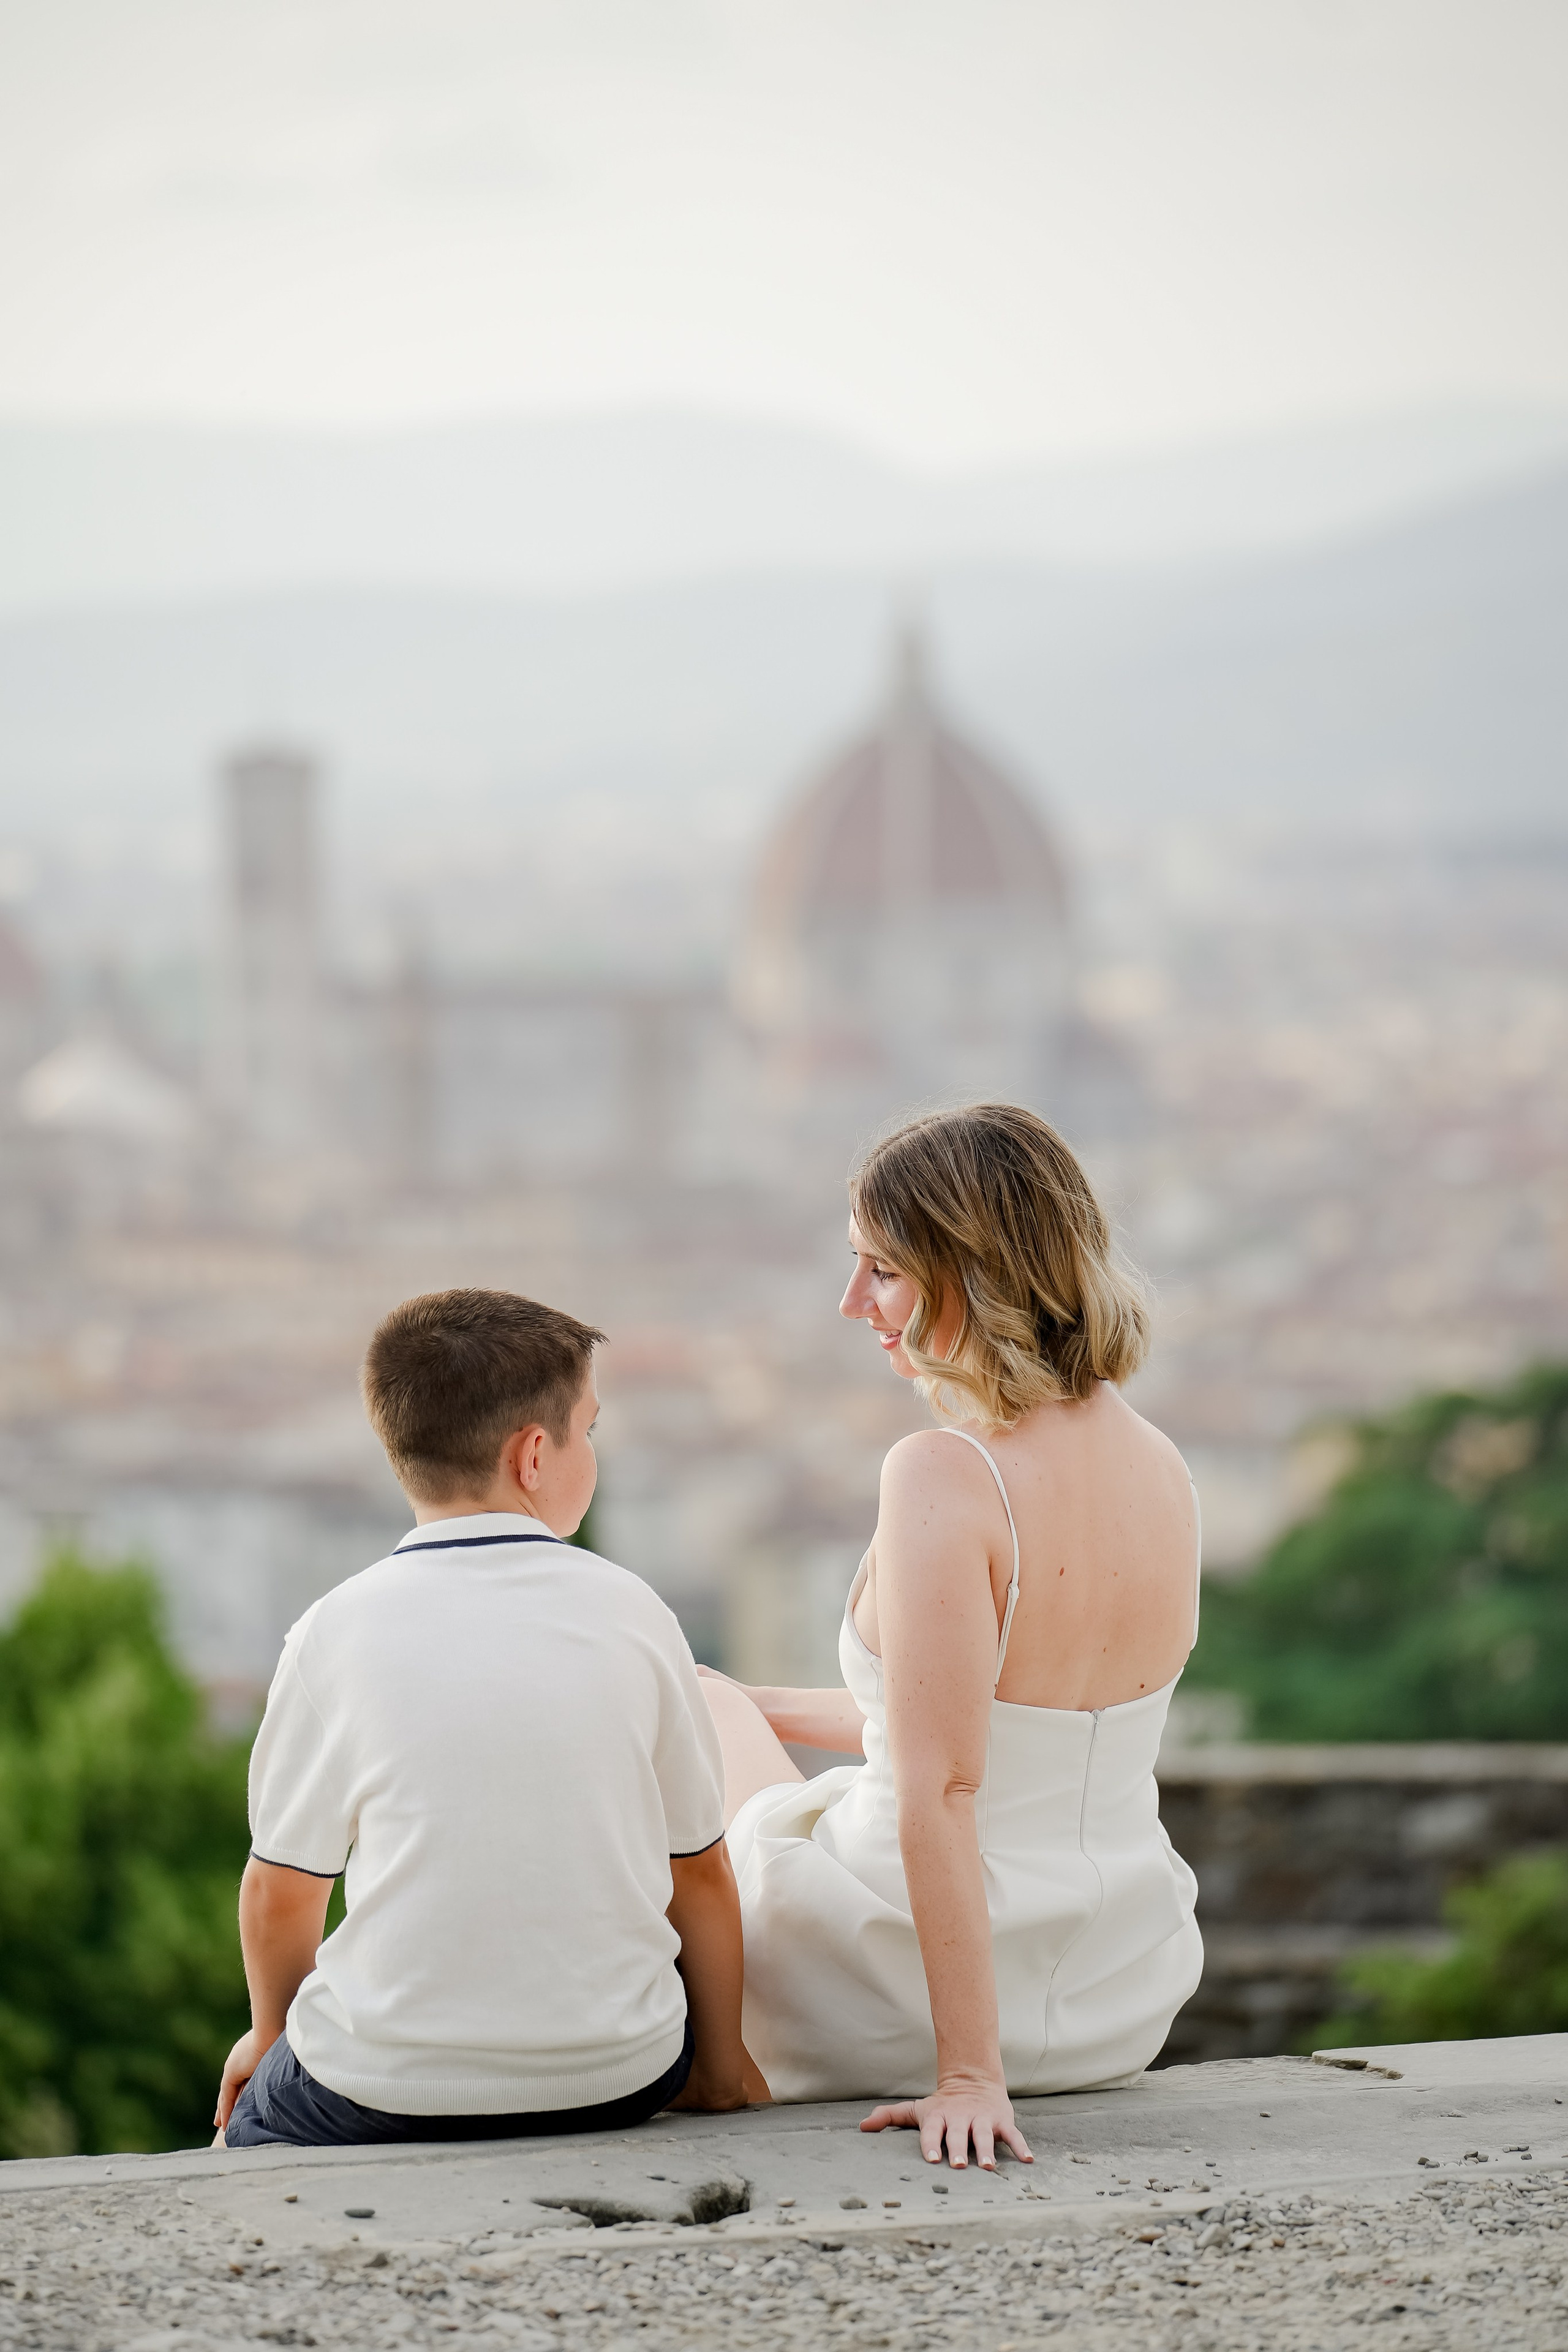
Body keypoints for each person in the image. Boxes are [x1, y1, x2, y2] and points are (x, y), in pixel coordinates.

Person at [701, 1104, 1203, 2173]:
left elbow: (942, 1787)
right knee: (722, 1700)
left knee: (690, 1719)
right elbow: (992, 1721)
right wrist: (762, 1702)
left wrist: (970, 2075)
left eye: (881, 1271)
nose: (852, 1304)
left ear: (972, 1269)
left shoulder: (944, 1473)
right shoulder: (1163, 1466)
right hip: (1118, 1989)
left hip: (905, 1997)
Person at [216, 1286, 756, 2149]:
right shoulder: (635, 1611)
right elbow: (700, 1875)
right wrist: (721, 2071)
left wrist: (274, 2038)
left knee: (247, 2126)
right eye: (591, 1429)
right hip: (622, 2070)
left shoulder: (332, 1632)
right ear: (534, 1455)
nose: (595, 1453)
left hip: (382, 2084)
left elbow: (282, 1896)